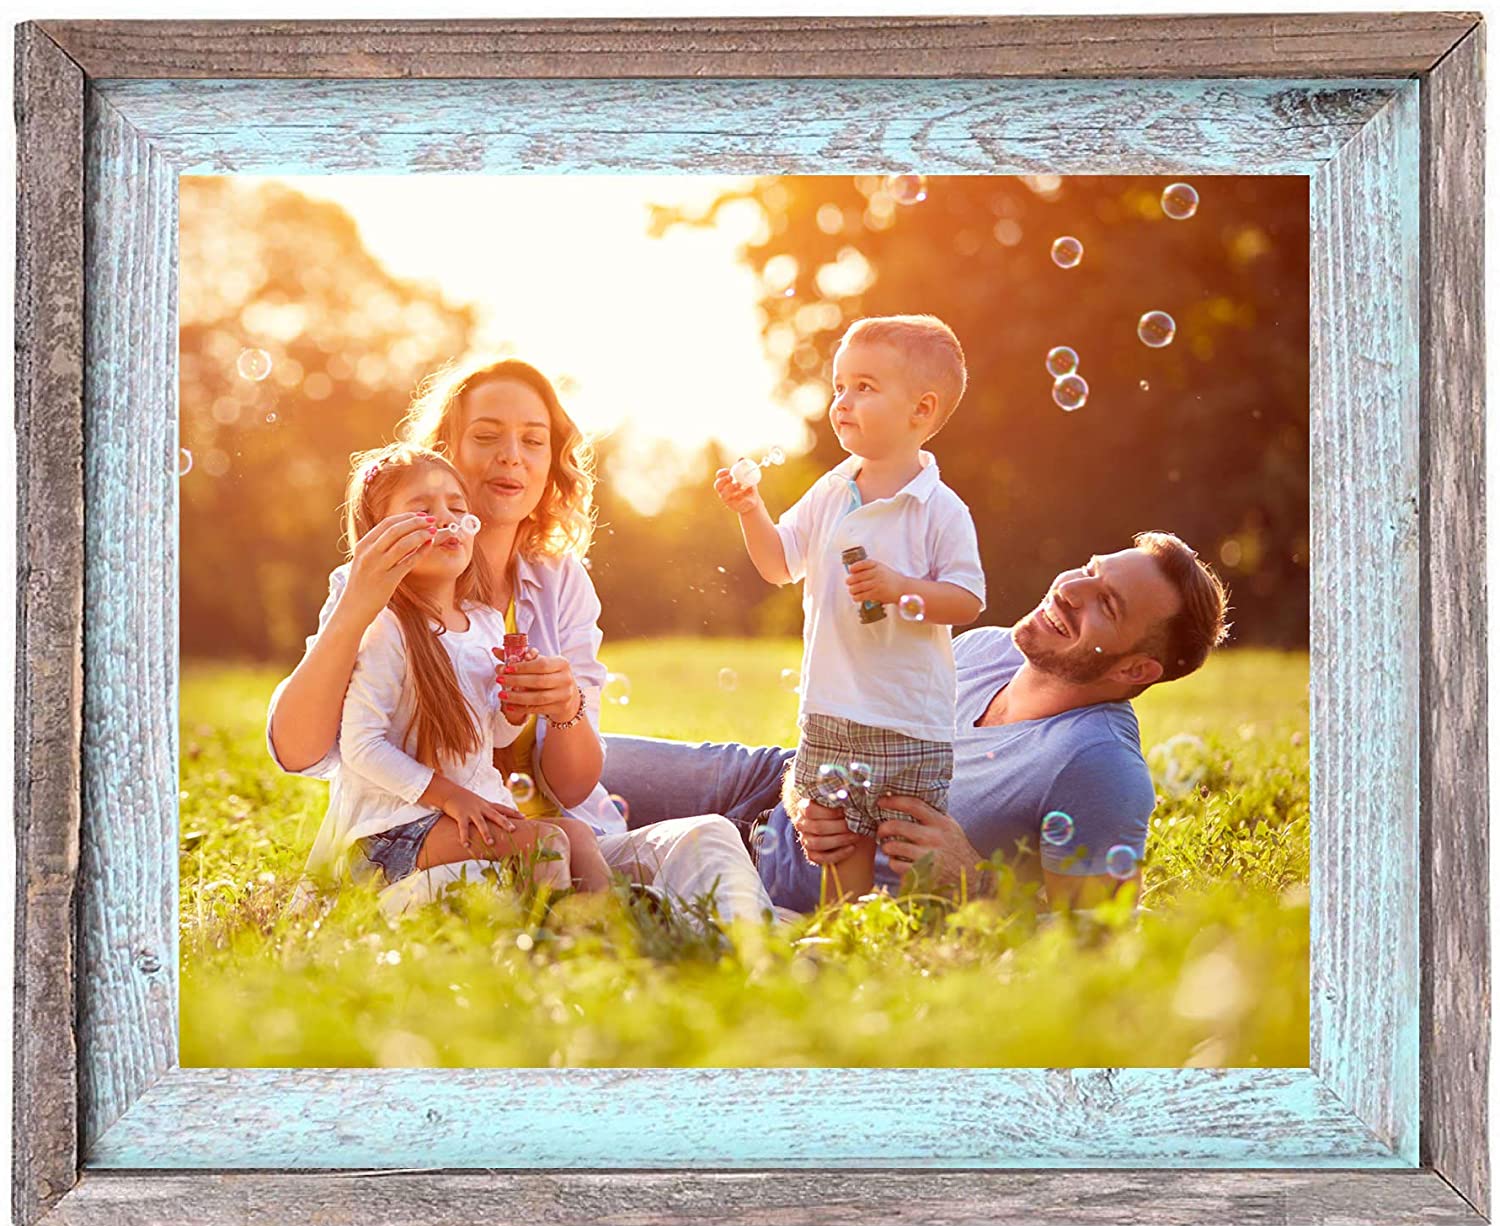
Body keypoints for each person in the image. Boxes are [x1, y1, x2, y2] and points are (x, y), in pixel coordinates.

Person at [269, 356, 773, 923]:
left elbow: (573, 781)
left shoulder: (559, 581)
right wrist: (356, 609)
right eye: (487, 436)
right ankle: (640, 937)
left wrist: (564, 708)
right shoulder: (378, 583)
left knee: (707, 838)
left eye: (534, 441)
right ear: (444, 453)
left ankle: (758, 965)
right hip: (436, 847)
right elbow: (298, 751)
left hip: (549, 831)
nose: (512, 455)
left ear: (550, 465)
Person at [600, 532, 1231, 913]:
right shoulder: (986, 649)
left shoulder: (1099, 768)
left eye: (1107, 604)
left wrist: (975, 883)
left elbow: (1097, 947)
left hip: (800, 882)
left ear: (1135, 670)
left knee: (572, 862)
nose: (1071, 590)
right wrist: (799, 792)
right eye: (1091, 570)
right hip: (768, 781)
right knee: (558, 756)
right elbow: (847, 731)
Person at [713, 315, 984, 900]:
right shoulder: (832, 491)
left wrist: (898, 588)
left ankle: (923, 943)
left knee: (913, 851)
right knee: (838, 841)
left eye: (865, 386)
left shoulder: (938, 508)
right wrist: (750, 510)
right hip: (832, 707)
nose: (843, 400)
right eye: (839, 386)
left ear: (922, 411)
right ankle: (847, 942)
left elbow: (966, 600)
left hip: (908, 719)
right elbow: (780, 563)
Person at [298, 443, 612, 903]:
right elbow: (361, 746)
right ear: (381, 535)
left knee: (578, 837)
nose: (447, 519)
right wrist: (450, 796)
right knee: (545, 846)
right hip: (392, 829)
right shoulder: (386, 627)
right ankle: (551, 946)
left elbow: (498, 739)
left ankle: (611, 935)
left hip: (462, 813)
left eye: (457, 507)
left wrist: (514, 707)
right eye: (423, 509)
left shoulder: (484, 621)